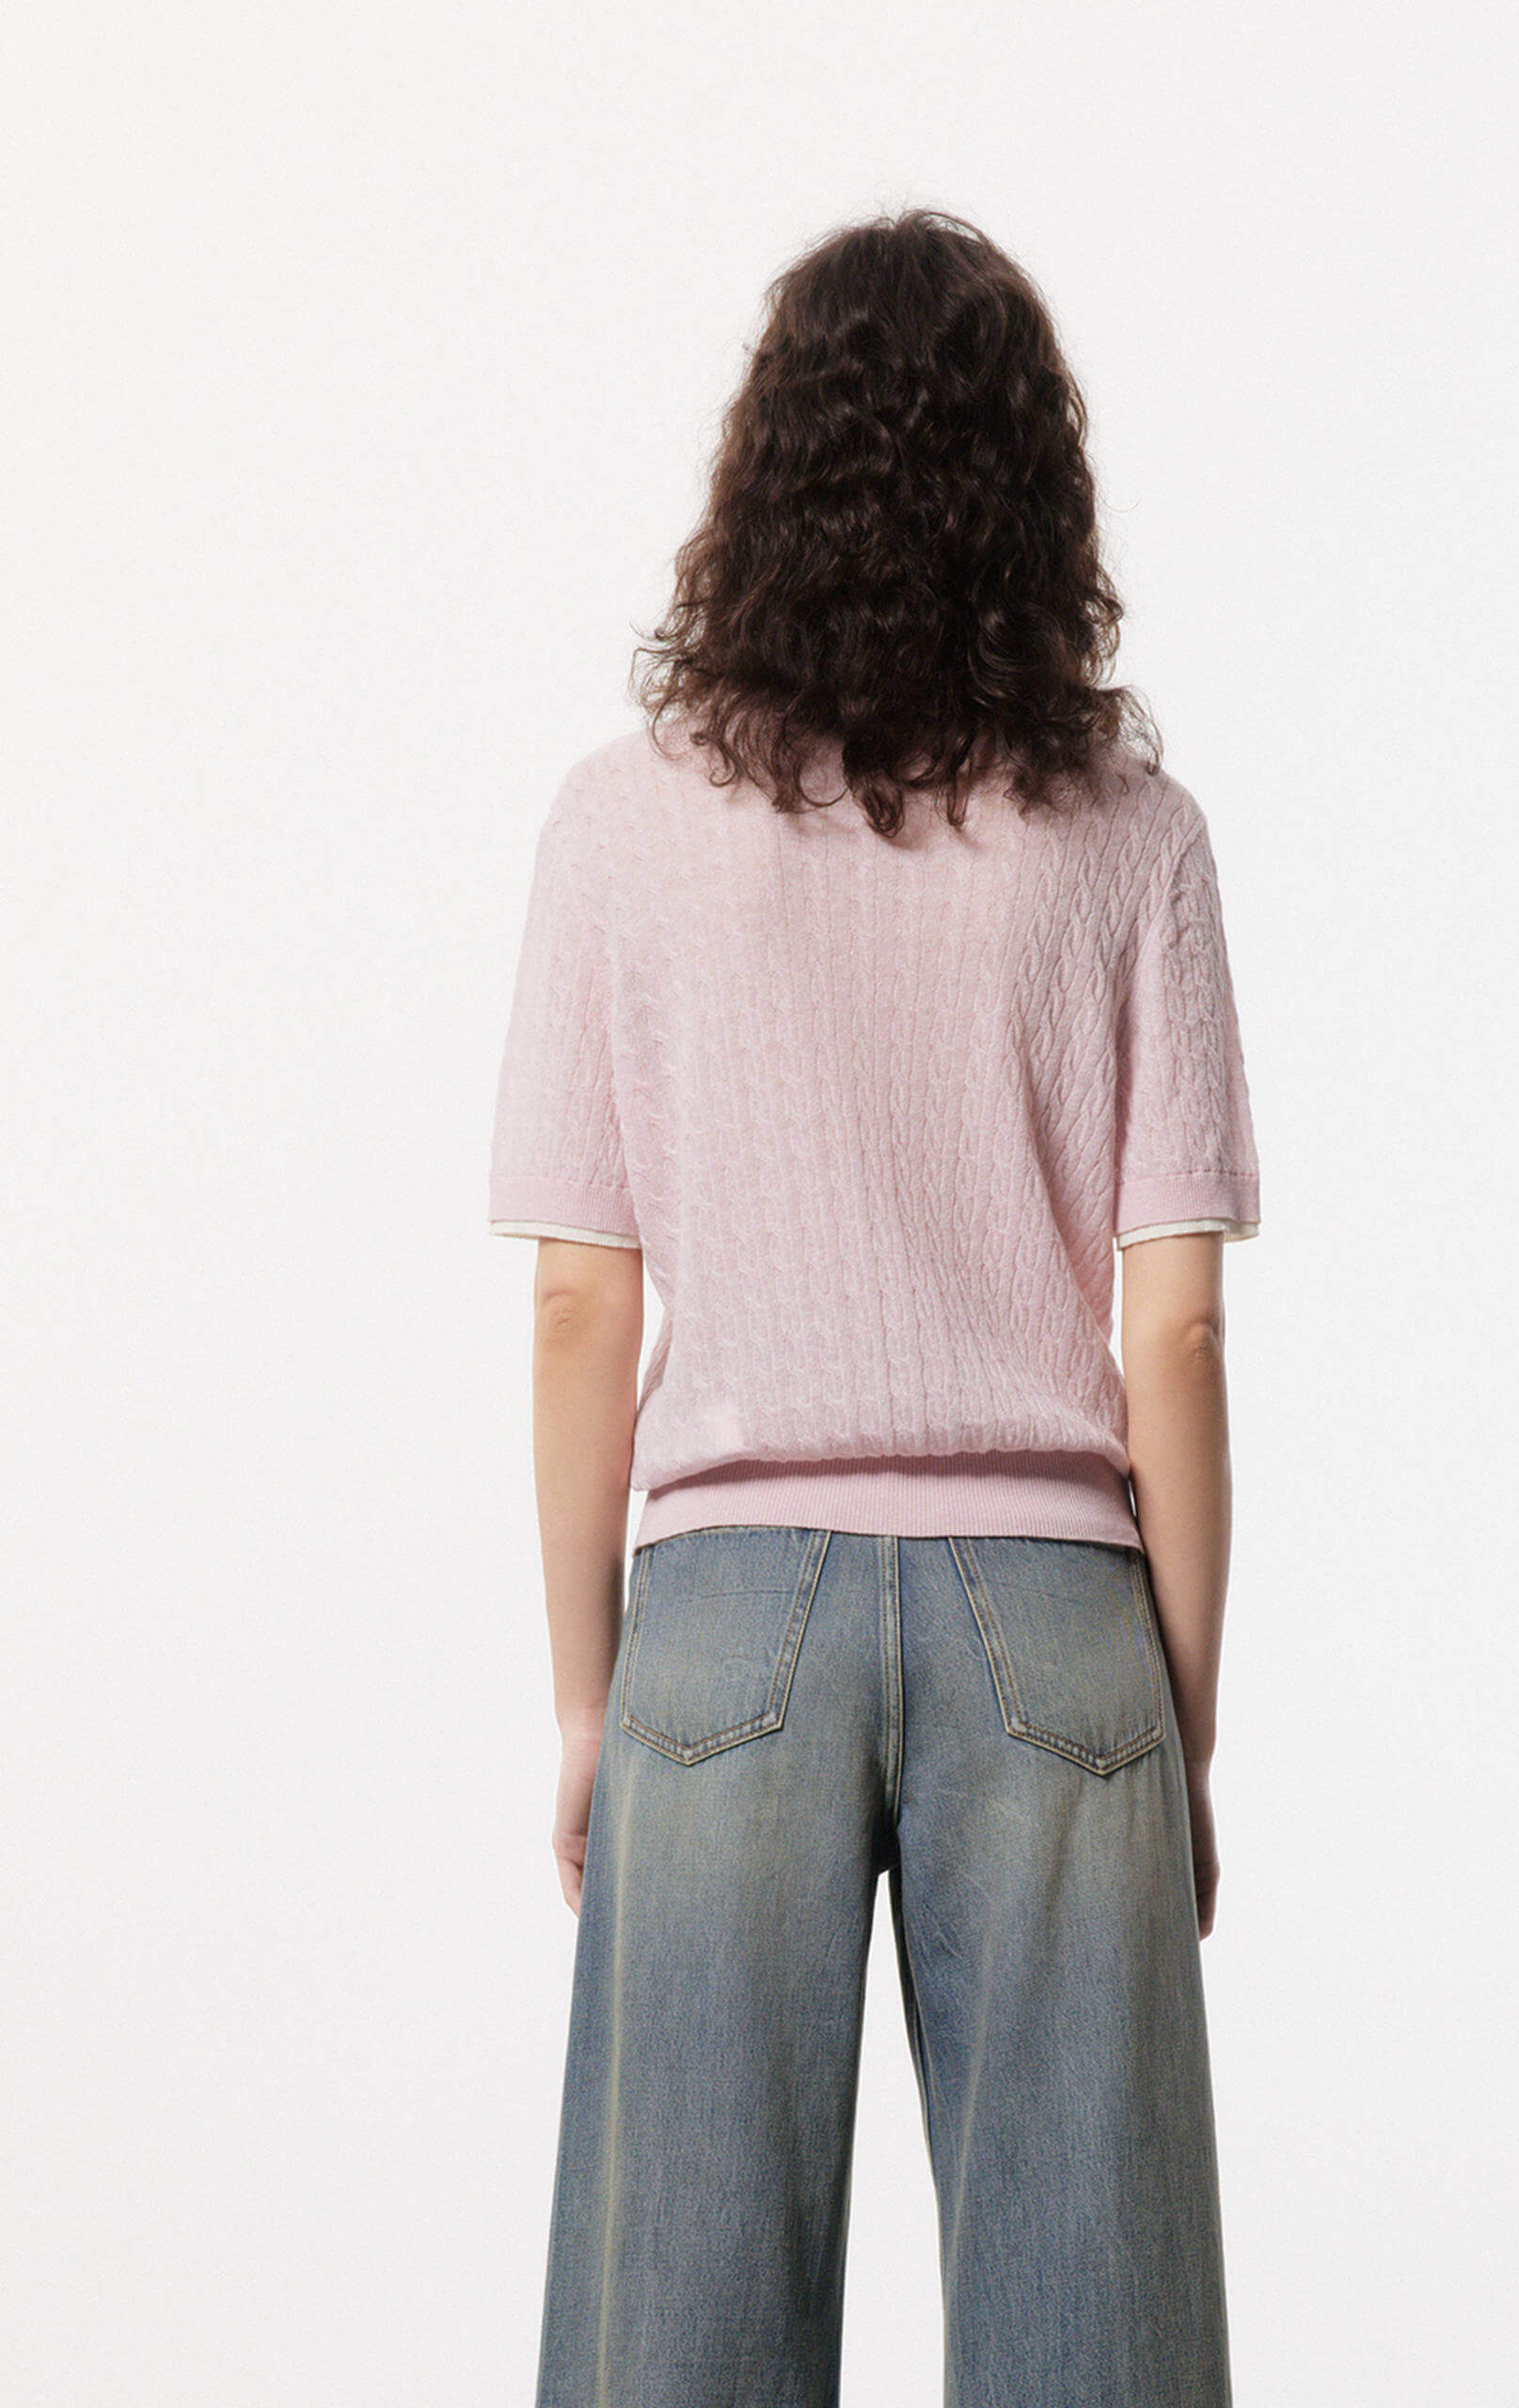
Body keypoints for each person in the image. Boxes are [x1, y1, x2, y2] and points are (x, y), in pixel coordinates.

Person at [488, 206, 1261, 2408]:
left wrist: (586, 1700)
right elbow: (1175, 1332)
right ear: (1039, 493)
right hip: (1062, 1614)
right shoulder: (1134, 838)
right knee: (1096, 2342)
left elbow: (580, 1304)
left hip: (726, 1611)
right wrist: (1180, 1720)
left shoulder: (617, 829)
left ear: (763, 480)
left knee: (677, 2343)